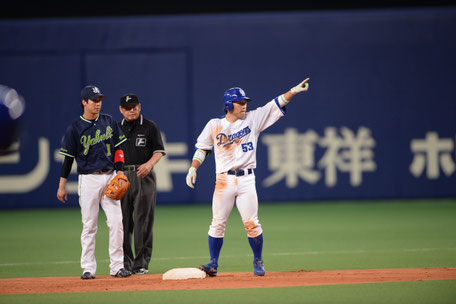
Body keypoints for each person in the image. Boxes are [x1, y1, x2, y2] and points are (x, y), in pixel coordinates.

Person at [186, 78, 310, 276]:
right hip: (224, 181)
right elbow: (202, 149)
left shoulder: (253, 119)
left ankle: (258, 260)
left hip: (246, 180)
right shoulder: (214, 125)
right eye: (240, 102)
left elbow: (275, 104)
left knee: (252, 223)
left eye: (245, 102)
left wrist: (293, 91)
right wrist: (193, 168)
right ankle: (213, 263)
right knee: (217, 222)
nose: (244, 105)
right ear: (228, 105)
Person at [57, 85, 132, 279]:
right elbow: (68, 158)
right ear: (84, 102)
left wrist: (120, 172)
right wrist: (62, 184)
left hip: (109, 176)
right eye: (94, 100)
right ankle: (88, 268)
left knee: (116, 223)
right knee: (89, 225)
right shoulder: (75, 128)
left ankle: (117, 267)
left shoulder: (108, 121)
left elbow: (118, 149)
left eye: (100, 100)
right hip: (88, 179)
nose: (98, 104)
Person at [118, 93, 166, 275]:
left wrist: (149, 164)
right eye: (128, 108)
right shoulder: (115, 129)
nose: (132, 110)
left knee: (143, 221)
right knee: (121, 222)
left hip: (143, 175)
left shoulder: (149, 126)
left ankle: (141, 264)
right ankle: (124, 263)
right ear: (121, 110)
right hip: (121, 175)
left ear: (140, 107)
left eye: (134, 107)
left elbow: (159, 151)